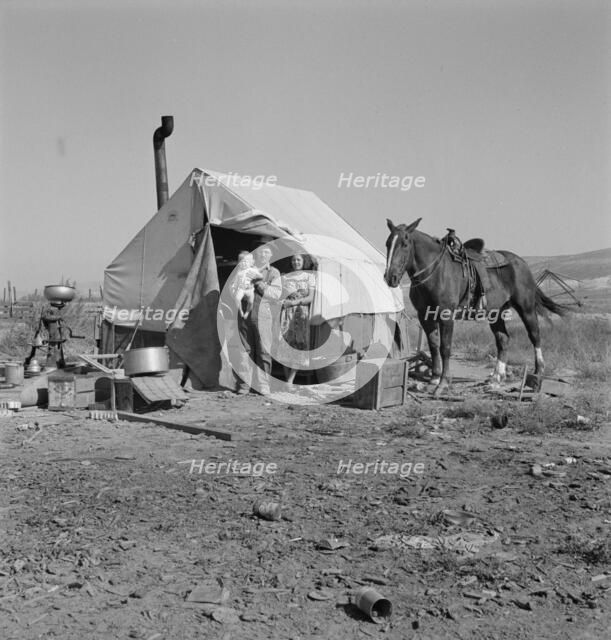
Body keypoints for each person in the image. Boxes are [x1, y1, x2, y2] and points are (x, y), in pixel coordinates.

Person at [236, 244, 281, 395]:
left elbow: (275, 294)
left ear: (270, 256)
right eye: (261, 252)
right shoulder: (246, 268)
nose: (263, 254)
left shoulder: (274, 273)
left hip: (263, 314)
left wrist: (259, 283)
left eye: (266, 252)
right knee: (245, 350)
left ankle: (264, 385)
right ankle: (244, 385)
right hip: (244, 313)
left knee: (264, 350)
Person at [276, 254, 316, 384]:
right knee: (284, 345)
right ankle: (288, 380)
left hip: (301, 313)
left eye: (299, 259)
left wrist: (294, 303)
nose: (296, 262)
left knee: (299, 345)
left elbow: (310, 298)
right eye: (293, 259)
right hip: (286, 313)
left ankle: (290, 380)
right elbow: (279, 295)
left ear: (303, 261)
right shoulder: (285, 277)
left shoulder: (309, 277)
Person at [231, 251, 262, 319]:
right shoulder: (239, 272)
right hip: (241, 289)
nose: (244, 263)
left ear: (251, 263)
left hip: (250, 290)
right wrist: (234, 287)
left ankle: (247, 312)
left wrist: (256, 277)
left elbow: (260, 276)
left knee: (251, 302)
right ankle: (241, 311)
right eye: (241, 261)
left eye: (246, 261)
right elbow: (235, 281)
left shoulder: (252, 270)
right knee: (237, 299)